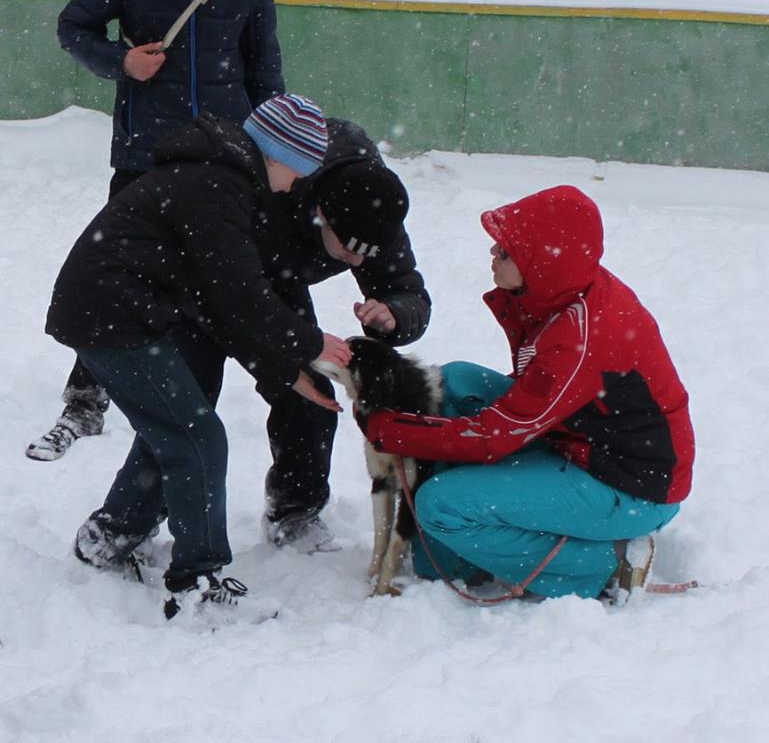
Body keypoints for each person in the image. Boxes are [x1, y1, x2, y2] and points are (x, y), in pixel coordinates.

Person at [45, 94, 351, 619]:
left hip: (115, 310)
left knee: (176, 429)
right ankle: (197, 583)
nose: (297, 184)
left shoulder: (221, 177)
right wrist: (311, 343)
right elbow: (240, 295)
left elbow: (222, 301)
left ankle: (110, 536)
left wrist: (284, 367)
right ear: (278, 155)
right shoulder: (218, 185)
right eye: (299, 170)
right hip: (113, 316)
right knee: (197, 435)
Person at [27, 0, 285, 461]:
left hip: (227, 156)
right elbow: (74, 27)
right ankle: (85, 402)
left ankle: (191, 398)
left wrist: (272, 146)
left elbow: (264, 66)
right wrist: (122, 62)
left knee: (223, 273)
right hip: (149, 153)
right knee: (116, 276)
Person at [363, 185, 695, 602]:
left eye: (504, 251)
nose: (492, 255)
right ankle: (479, 544)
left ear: (541, 262)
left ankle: (605, 562)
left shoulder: (583, 335)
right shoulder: (560, 291)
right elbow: (531, 399)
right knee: (457, 381)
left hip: (629, 486)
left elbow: (495, 436)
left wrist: (394, 431)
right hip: (581, 440)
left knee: (439, 507)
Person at [175, 117, 433, 552]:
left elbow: (407, 289)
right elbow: (229, 296)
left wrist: (394, 314)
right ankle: (130, 522)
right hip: (203, 278)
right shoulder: (272, 187)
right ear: (321, 215)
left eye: (366, 253)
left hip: (279, 277)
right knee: (184, 405)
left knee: (312, 394)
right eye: (348, 249)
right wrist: (280, 360)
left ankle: (294, 510)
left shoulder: (373, 207)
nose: (356, 263)